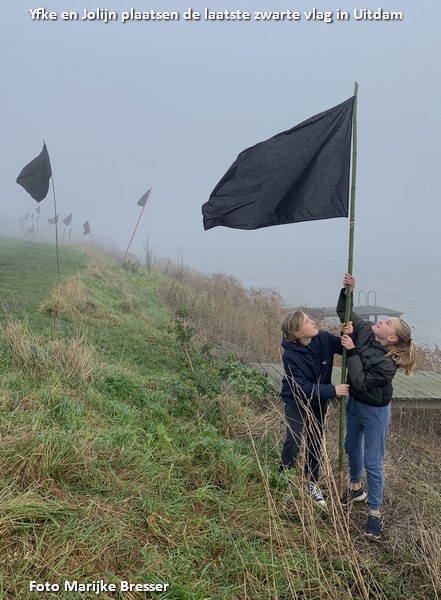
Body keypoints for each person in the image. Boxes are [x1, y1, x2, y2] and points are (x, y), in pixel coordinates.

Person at [338, 273, 416, 540]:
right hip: (354, 404)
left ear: (392, 338)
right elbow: (343, 312)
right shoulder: (364, 330)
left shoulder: (387, 365)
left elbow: (359, 381)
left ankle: (374, 514)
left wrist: (353, 350)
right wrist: (348, 290)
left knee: (374, 461)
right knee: (350, 447)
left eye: (386, 322)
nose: (379, 321)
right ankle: (355, 487)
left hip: (375, 412)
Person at [280, 310, 351, 507]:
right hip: (296, 399)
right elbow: (302, 387)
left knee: (315, 440)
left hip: (319, 401)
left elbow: (346, 346)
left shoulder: (325, 339)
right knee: (293, 440)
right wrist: (333, 390)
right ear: (297, 334)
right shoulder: (290, 356)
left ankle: (311, 483)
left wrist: (348, 332)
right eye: (307, 321)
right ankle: (284, 480)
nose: (313, 322)